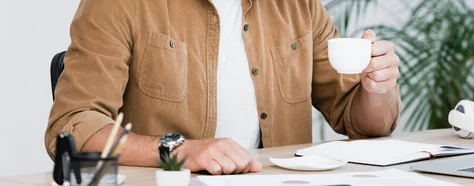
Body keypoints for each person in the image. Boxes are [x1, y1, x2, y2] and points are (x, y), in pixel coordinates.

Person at [45, 0, 402, 175]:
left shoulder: (298, 6)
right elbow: (72, 126)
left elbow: (363, 121)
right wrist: (178, 152)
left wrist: (376, 87)